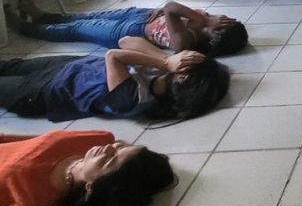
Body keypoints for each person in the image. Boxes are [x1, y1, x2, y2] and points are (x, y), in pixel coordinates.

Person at [1, 129, 173, 206]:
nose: (108, 148)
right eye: (119, 147)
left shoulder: (31, 204)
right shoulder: (98, 138)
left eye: (110, 160)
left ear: (93, 186)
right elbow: (29, 141)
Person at [0, 34, 230, 122]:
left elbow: (114, 55)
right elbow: (126, 41)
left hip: (44, 90)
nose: (183, 56)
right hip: (71, 67)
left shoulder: (134, 99)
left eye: (187, 60)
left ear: (181, 78)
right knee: (9, 66)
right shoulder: (160, 76)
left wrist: (164, 63)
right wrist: (165, 59)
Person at [6, 0, 247, 57]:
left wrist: (206, 20)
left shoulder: (185, 42)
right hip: (142, 15)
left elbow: (172, 7)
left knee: (78, 28)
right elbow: (169, 10)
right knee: (86, 16)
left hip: (129, 31)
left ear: (215, 36)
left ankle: (24, 28)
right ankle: (42, 16)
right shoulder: (205, 22)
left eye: (224, 23)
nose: (223, 17)